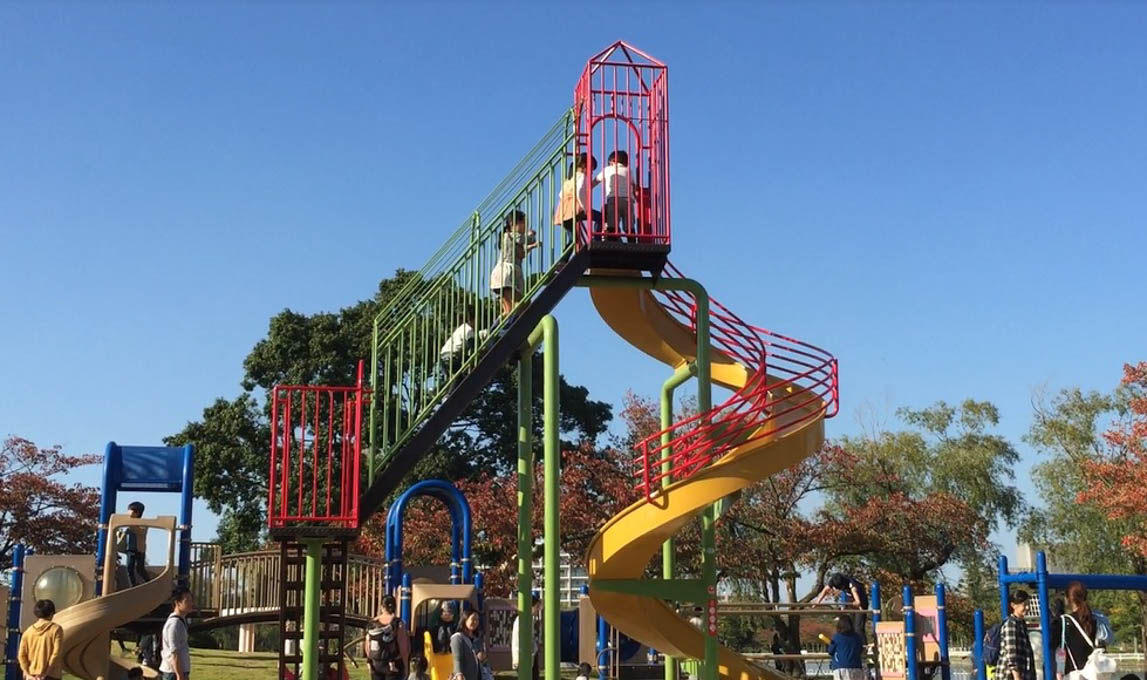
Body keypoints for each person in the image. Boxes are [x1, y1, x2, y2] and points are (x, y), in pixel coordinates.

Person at [1051, 581, 1106, 680]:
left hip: (1074, 674)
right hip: (1093, 673)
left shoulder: (1065, 622)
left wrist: (1057, 612)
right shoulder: (1094, 620)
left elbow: (1051, 643)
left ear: (1068, 599)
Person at [489, 210, 538, 318]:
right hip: (505, 275)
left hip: (508, 275)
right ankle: (497, 330)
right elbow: (524, 240)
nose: (526, 226)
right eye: (524, 223)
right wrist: (531, 236)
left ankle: (495, 329)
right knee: (511, 309)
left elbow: (521, 254)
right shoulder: (510, 235)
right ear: (512, 224)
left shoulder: (513, 239)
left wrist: (533, 247)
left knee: (517, 307)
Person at [553, 153, 601, 250]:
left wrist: (597, 180)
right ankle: (596, 239)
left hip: (563, 213)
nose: (591, 172)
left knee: (573, 240)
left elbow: (561, 194)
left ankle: (564, 260)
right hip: (574, 212)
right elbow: (579, 191)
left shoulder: (570, 179)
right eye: (591, 168)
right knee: (601, 217)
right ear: (584, 165)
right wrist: (585, 208)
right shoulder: (582, 176)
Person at [366, 595, 411, 680]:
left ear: (382, 607)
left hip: (376, 663)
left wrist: (370, 661)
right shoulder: (398, 623)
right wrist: (406, 666)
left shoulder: (372, 623)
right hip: (394, 663)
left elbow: (368, 646)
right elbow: (403, 647)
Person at [813, 573, 870, 639]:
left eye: (840, 588)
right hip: (851, 601)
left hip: (861, 600)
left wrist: (857, 602)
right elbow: (825, 590)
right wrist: (818, 601)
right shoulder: (833, 580)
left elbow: (855, 594)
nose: (839, 590)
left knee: (858, 627)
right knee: (850, 627)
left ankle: (863, 645)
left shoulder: (851, 583)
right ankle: (852, 644)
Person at [438, 307, 488, 379]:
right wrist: (483, 353)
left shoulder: (461, 328)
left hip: (443, 358)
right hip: (452, 357)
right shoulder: (469, 329)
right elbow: (473, 346)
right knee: (467, 369)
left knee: (456, 379)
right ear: (473, 320)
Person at [18, 599, 63, 680]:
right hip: (51, 675)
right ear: (52, 613)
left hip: (31, 675)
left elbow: (21, 655)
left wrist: (27, 674)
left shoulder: (28, 631)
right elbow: (56, 653)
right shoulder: (56, 629)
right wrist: (46, 673)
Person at [595, 150, 637, 236]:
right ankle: (631, 238)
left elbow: (595, 181)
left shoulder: (607, 169)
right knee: (629, 223)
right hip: (628, 200)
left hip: (613, 199)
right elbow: (633, 186)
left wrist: (588, 188)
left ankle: (612, 237)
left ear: (613, 160)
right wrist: (636, 197)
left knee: (612, 221)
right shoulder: (629, 171)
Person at [1000, 589, 1037, 680]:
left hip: (1023, 673)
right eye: (1024, 605)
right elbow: (1011, 655)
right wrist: (1017, 677)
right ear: (1013, 606)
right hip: (1010, 676)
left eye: (1028, 604)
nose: (1027, 607)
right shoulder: (1011, 624)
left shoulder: (1021, 623)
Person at [159, 586, 194, 680]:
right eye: (187, 601)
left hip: (179, 671)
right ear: (177, 603)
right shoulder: (175, 624)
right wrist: (179, 675)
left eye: (191, 600)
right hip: (173, 673)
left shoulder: (181, 621)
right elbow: (174, 652)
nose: (191, 604)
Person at [118, 501, 150, 587]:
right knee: (129, 568)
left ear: (137, 512)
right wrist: (119, 534)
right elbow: (124, 534)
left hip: (139, 549)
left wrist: (130, 523)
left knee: (140, 569)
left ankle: (149, 582)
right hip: (130, 549)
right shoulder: (128, 524)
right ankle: (133, 584)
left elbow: (140, 532)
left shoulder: (143, 523)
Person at [511, 593, 542, 680]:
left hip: (528, 656)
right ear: (531, 607)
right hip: (524, 658)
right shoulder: (524, 619)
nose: (538, 610)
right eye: (537, 607)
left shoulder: (528, 619)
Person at [828, 615, 865, 680]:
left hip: (841, 667)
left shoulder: (837, 637)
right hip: (856, 666)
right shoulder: (857, 637)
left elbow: (830, 651)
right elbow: (861, 650)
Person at [450, 610, 482, 680]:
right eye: (473, 619)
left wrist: (483, 657)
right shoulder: (458, 638)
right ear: (465, 620)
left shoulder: (477, 639)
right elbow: (457, 659)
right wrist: (459, 675)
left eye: (477, 620)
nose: (475, 622)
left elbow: (483, 660)